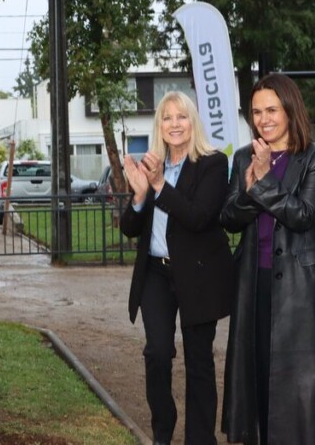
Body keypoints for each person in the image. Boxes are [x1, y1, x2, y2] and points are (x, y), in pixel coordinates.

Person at [220, 74, 315, 445]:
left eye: (271, 109)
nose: (263, 119)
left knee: (302, 387)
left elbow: (304, 216)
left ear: (290, 109)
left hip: (303, 291)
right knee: (257, 376)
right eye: (256, 112)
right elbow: (228, 218)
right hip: (253, 283)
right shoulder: (243, 157)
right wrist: (253, 188)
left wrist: (263, 183)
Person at [120, 91, 233, 445]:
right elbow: (129, 227)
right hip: (156, 273)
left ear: (192, 122)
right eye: (167, 118)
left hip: (198, 275)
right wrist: (140, 196)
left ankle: (200, 439)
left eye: (181, 117)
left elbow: (199, 217)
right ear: (160, 126)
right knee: (157, 352)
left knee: (199, 359)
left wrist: (158, 186)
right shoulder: (153, 164)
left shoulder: (212, 164)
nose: (174, 124)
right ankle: (162, 433)